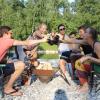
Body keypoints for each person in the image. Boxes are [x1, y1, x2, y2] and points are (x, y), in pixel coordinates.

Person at [0, 26, 47, 96]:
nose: (12, 35)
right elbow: (27, 42)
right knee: (21, 65)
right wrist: (42, 40)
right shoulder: (7, 40)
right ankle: (7, 88)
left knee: (12, 62)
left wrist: (6, 61)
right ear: (5, 34)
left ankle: (9, 83)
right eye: (10, 33)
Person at [75, 27, 100, 92]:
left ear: (90, 35)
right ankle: (85, 84)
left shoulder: (97, 45)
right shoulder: (90, 42)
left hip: (98, 68)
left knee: (78, 63)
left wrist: (89, 57)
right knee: (79, 61)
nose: (84, 33)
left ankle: (85, 86)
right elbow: (73, 41)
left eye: (86, 32)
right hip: (96, 66)